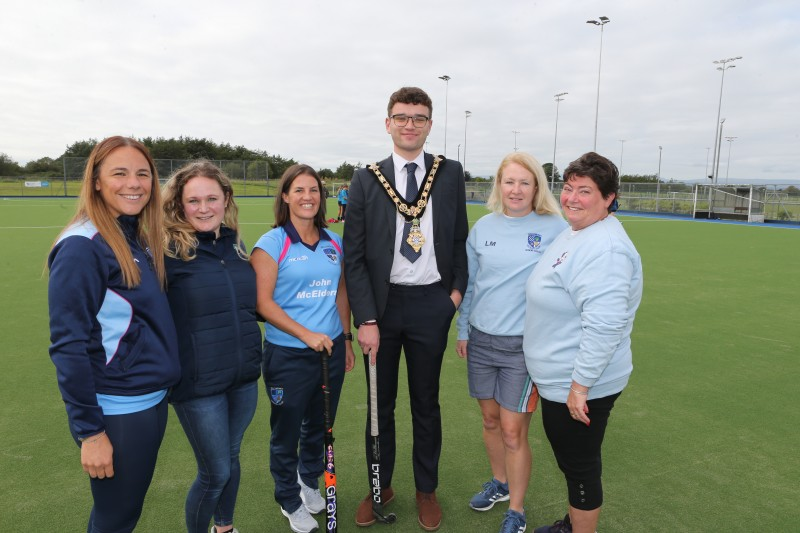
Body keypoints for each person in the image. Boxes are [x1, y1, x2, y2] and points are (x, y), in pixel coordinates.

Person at [343, 86, 468, 531]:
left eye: (418, 117)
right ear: (388, 123)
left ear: (430, 124)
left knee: (426, 404)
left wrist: (451, 299)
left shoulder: (449, 173)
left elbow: (458, 241)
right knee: (381, 406)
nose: (410, 124)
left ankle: (426, 488)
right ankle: (381, 487)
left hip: (431, 302)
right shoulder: (366, 177)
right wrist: (367, 319)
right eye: (402, 116)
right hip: (383, 307)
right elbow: (353, 256)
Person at [47, 136, 180, 533]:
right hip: (118, 409)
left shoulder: (135, 235)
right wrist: (90, 432)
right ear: (97, 182)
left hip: (150, 400)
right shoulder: (82, 246)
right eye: (119, 173)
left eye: (143, 174)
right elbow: (68, 347)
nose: (133, 183)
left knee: (124, 512)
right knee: (115, 518)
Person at [524, 152, 643, 533]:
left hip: (578, 384)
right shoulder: (577, 231)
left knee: (579, 466)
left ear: (608, 197)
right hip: (561, 377)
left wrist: (579, 387)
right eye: (569, 187)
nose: (572, 197)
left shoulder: (605, 249)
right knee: (574, 461)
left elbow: (605, 326)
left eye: (585, 191)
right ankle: (573, 524)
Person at [456, 152, 567, 533]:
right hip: (482, 341)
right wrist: (464, 330)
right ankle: (500, 485)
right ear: (498, 186)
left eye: (524, 182)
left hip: (523, 347)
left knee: (512, 430)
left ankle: (516, 511)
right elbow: (471, 285)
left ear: (537, 187)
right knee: (489, 421)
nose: (516, 190)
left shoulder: (555, 229)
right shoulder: (482, 227)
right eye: (509, 182)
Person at [251, 163, 355, 533]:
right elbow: (263, 303)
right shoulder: (272, 244)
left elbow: (340, 292)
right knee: (287, 431)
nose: (307, 197)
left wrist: (346, 338)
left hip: (330, 351)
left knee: (320, 426)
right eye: (299, 190)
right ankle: (289, 500)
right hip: (288, 355)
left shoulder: (333, 242)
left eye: (313, 190)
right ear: (285, 196)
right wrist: (305, 334)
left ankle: (308, 481)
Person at [162, 160, 263, 533]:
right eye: (194, 201)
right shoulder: (168, 252)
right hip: (197, 385)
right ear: (179, 205)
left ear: (225, 199)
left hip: (243, 378)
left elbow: (250, 304)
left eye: (211, 198)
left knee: (231, 458)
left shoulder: (235, 245)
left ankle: (225, 527)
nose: (204, 208)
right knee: (214, 472)